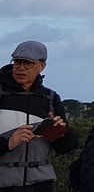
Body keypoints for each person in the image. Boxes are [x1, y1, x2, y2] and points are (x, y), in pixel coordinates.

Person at [0, 41, 78, 192]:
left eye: (28, 63)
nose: (21, 68)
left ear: (42, 66)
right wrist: (9, 143)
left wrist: (57, 132)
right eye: (17, 62)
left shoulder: (50, 97)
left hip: (41, 183)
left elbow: (67, 148)